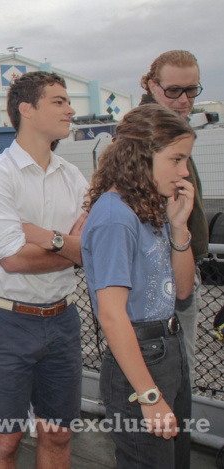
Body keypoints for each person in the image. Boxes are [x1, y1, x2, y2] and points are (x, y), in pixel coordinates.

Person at [0, 71, 89, 468]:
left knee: (58, 435)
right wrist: (70, 247)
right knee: (5, 440)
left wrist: (48, 239)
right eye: (58, 101)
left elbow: (89, 247)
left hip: (62, 319)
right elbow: (13, 259)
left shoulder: (72, 176)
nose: (70, 109)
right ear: (26, 109)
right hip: (9, 323)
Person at [81, 104, 195, 468]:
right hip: (140, 360)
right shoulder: (116, 217)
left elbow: (182, 291)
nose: (183, 172)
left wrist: (179, 229)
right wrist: (148, 396)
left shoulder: (150, 206)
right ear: (140, 154)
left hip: (167, 349)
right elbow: (113, 317)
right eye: (176, 159)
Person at [139, 50, 207, 384]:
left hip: (178, 264)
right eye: (174, 90)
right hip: (160, 274)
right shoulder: (145, 136)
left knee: (176, 374)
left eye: (191, 90)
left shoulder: (171, 130)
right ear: (152, 86)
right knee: (172, 375)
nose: (183, 100)